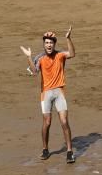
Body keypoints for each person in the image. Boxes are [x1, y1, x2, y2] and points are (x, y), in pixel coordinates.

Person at [20, 28, 76, 162]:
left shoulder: (60, 55)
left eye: (51, 42)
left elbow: (72, 54)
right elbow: (34, 72)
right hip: (46, 93)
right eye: (46, 43)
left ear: (54, 44)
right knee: (47, 122)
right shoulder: (40, 58)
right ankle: (45, 149)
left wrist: (68, 39)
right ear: (44, 44)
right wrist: (28, 57)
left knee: (64, 122)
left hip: (59, 92)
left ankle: (69, 151)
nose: (49, 45)